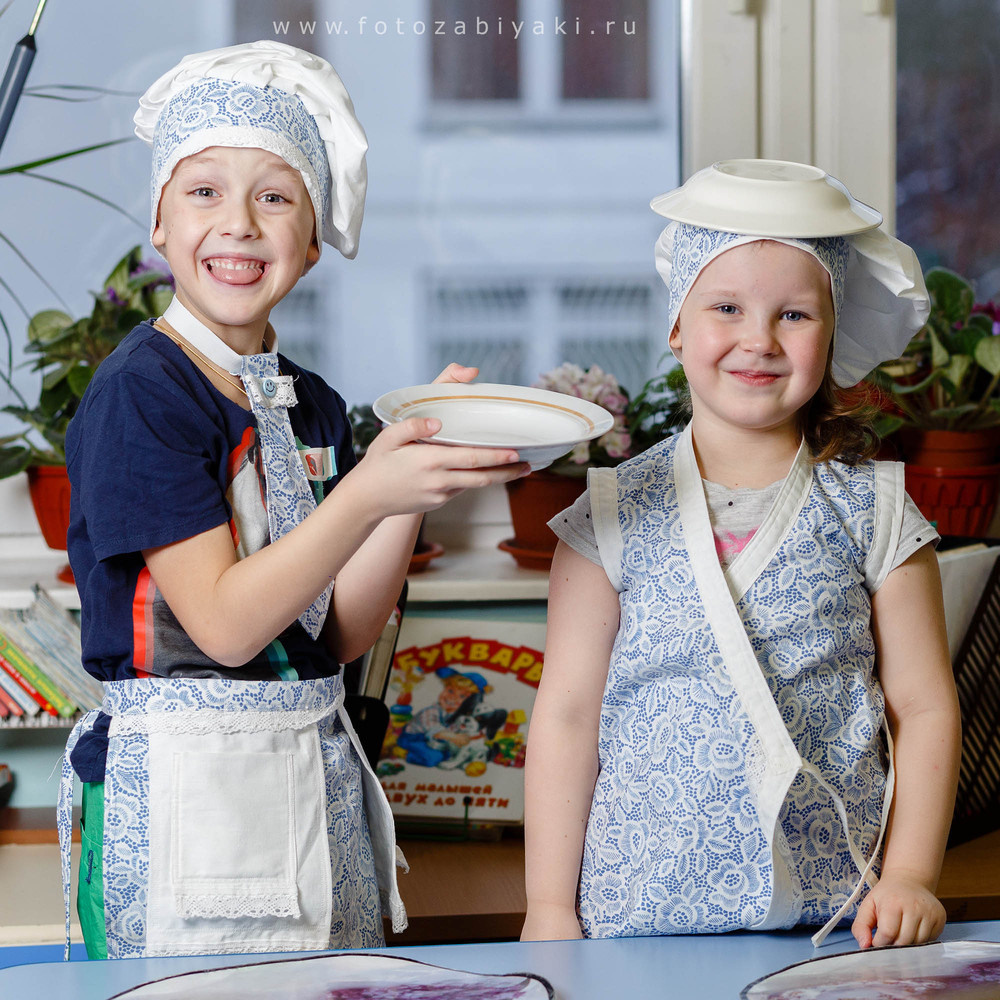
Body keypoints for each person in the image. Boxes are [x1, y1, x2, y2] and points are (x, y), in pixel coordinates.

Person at [57, 40, 528, 961]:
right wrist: (364, 498)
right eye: (203, 192)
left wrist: (408, 483)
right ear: (159, 222)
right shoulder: (142, 394)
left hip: (313, 770)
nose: (237, 223)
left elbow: (337, 632)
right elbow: (227, 628)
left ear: (311, 245)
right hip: (191, 795)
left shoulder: (304, 400)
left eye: (273, 197)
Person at [521, 160, 962, 950]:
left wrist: (911, 876)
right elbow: (566, 715)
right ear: (678, 327)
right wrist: (550, 907)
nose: (758, 339)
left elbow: (925, 708)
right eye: (726, 307)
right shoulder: (612, 514)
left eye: (794, 314)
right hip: (638, 913)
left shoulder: (879, 512)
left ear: (832, 333)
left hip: (835, 917)